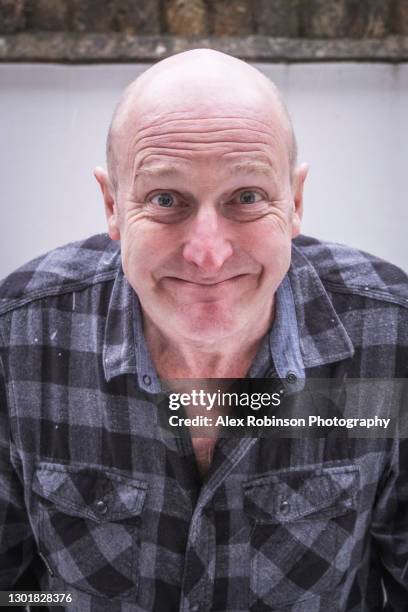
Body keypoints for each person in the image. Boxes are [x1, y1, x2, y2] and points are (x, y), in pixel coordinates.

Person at [0, 49, 407, 612]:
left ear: (295, 202)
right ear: (113, 205)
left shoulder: (391, 337)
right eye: (166, 200)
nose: (208, 254)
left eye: (247, 197)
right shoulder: (18, 337)